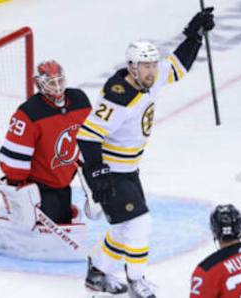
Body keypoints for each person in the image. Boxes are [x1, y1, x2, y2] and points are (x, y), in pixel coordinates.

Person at [77, 7, 215, 298]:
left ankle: (97, 273)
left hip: (128, 170)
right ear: (131, 67)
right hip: (110, 171)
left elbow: (177, 66)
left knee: (121, 229)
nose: (152, 70)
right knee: (140, 223)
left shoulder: (149, 78)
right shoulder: (118, 96)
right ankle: (136, 283)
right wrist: (98, 174)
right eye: (145, 65)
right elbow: (87, 136)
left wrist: (194, 36)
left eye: (153, 64)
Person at [0, 60, 92, 261]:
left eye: (59, 81)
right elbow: (14, 154)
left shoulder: (79, 101)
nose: (57, 88)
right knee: (33, 231)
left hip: (62, 179)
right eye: (51, 83)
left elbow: (88, 137)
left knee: (62, 223)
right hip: (36, 185)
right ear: (39, 83)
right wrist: (17, 184)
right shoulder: (29, 113)